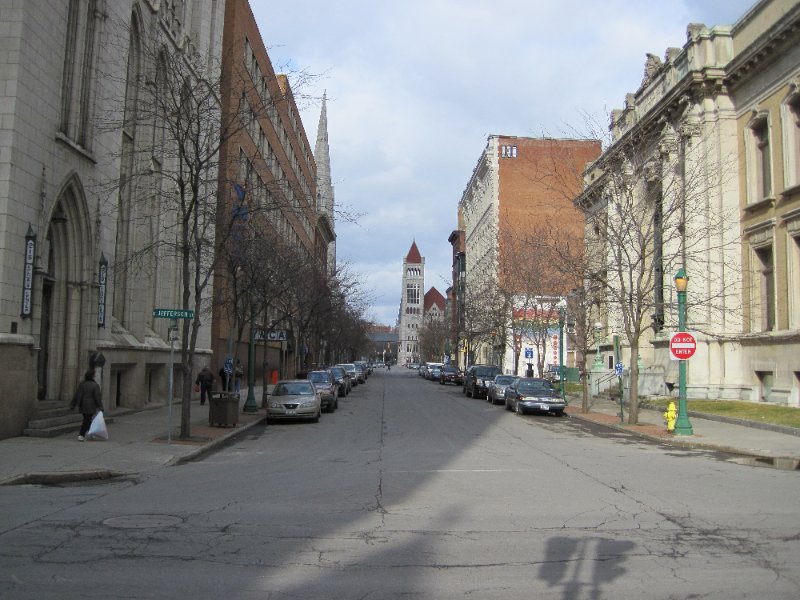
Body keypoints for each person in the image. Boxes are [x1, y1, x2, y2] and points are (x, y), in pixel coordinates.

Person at [70, 369, 103, 441]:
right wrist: (100, 406)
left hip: (82, 405)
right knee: (86, 420)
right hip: (90, 406)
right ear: (92, 376)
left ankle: (91, 433)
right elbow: (97, 397)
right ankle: (81, 434)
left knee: (87, 419)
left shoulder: (82, 384)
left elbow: (77, 395)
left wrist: (73, 404)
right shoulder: (95, 385)